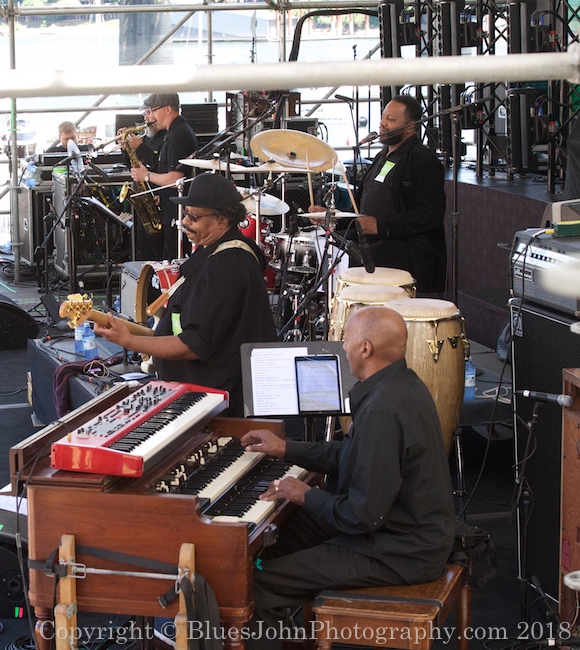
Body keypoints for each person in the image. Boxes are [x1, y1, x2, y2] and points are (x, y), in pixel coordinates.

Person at [240, 306, 455, 648]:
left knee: (256, 582)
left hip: (398, 550)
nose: (342, 346)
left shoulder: (383, 411)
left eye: (346, 339)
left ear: (365, 348)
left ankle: (271, 625)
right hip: (394, 530)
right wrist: (285, 448)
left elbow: (362, 516)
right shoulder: (403, 385)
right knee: (276, 537)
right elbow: (351, 457)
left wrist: (305, 495)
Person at [94, 173, 276, 417]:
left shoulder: (225, 266)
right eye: (186, 214)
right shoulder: (222, 254)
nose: (185, 222)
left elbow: (194, 344)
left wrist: (128, 341)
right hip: (206, 397)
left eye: (194, 216)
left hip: (216, 406)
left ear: (222, 220)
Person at [314, 94, 446, 296]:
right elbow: (361, 212)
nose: (382, 124)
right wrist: (334, 218)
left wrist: (381, 226)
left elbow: (431, 214)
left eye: (391, 120)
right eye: (383, 117)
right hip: (373, 251)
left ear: (410, 127)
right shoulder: (382, 156)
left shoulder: (422, 160)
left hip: (405, 259)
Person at [125, 93, 197, 261]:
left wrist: (146, 176)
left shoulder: (177, 137)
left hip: (174, 212)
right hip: (169, 205)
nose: (151, 116)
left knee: (171, 260)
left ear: (167, 109)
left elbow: (175, 180)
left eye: (153, 111)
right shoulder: (173, 133)